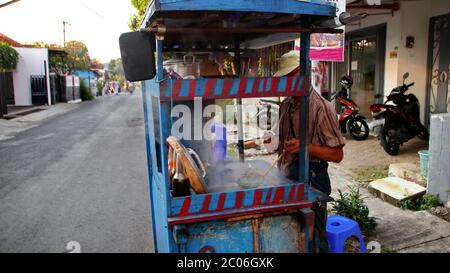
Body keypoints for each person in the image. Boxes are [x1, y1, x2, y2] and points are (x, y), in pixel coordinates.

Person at [270, 51, 346, 252]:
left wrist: (304, 148)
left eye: (290, 76)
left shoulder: (322, 107)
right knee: (291, 236)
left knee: (313, 241)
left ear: (303, 74)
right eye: (284, 78)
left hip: (313, 180)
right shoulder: (286, 105)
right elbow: (283, 143)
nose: (286, 82)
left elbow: (337, 155)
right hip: (288, 177)